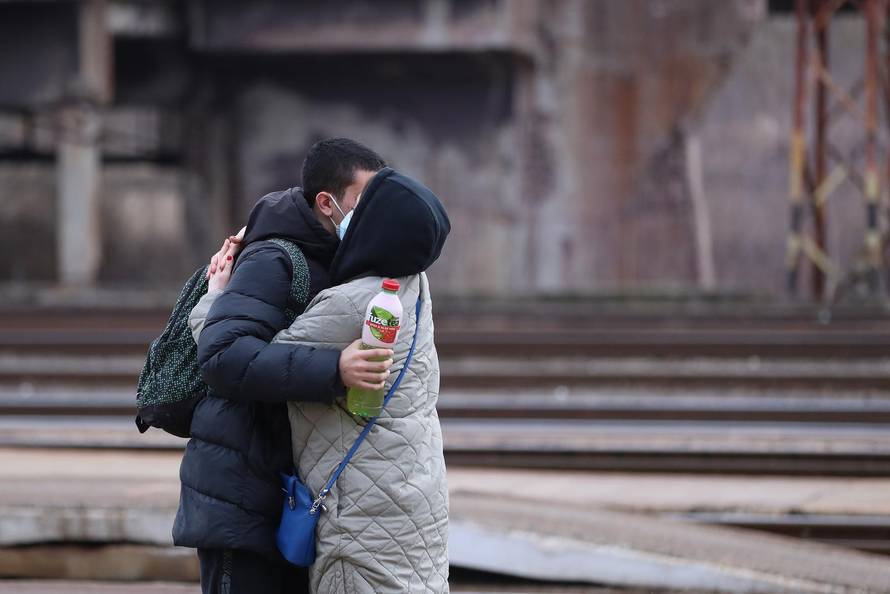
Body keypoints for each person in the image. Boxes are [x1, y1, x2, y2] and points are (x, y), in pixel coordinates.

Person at [193, 166, 451, 593]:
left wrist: (215, 299)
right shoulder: (414, 286)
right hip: (410, 499)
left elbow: (232, 354)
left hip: (363, 521)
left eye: (364, 209)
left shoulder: (355, 303)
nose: (352, 215)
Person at [174, 138, 393, 594]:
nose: (371, 213)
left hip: (278, 487)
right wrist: (335, 370)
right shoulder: (274, 258)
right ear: (326, 203)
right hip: (241, 494)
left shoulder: (330, 256)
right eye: (361, 200)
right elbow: (223, 357)